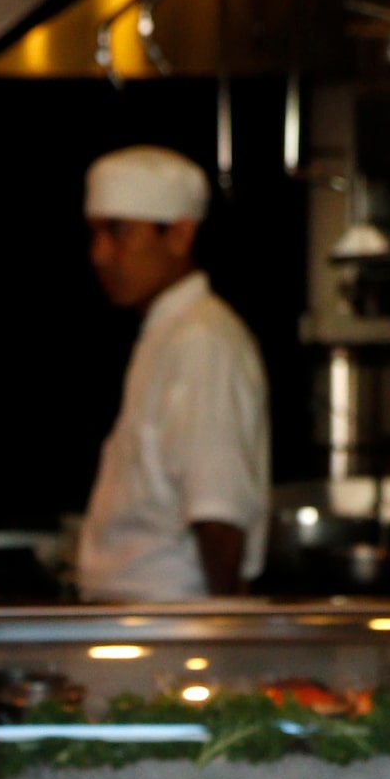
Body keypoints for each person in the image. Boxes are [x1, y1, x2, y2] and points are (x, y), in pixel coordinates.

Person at [75, 144, 271, 601]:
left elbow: (217, 510)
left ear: (180, 235)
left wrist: (227, 630)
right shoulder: (167, 331)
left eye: (118, 232)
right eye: (95, 233)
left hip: (176, 619)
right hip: (141, 619)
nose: (100, 254)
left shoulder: (203, 339)